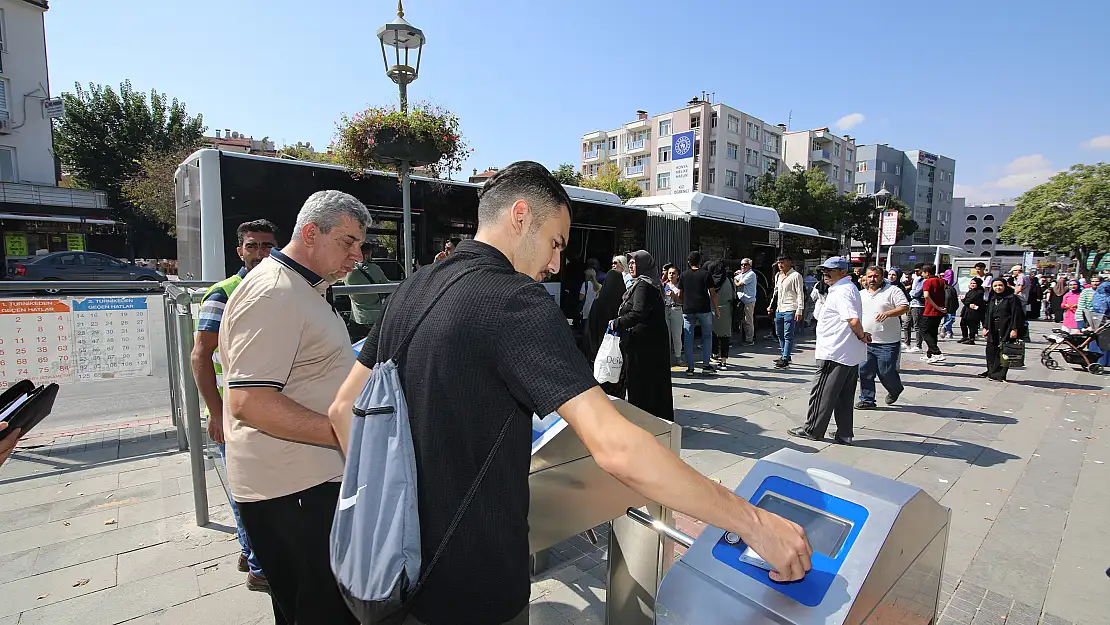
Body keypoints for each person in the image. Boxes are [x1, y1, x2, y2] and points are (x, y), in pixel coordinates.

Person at [328, 161, 812, 625]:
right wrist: (754, 523)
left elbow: (344, 408)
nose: (557, 263)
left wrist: (390, 512)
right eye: (556, 243)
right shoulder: (516, 303)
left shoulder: (414, 287)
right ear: (521, 217)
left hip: (388, 574)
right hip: (474, 588)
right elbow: (618, 447)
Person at [220, 192, 370, 624]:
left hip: (302, 483)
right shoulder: (275, 292)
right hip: (292, 492)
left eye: (360, 245)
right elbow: (249, 401)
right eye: (347, 242)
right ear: (310, 233)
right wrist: (349, 433)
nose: (357, 256)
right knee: (322, 610)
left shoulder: (299, 287)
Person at [190, 218, 279, 593]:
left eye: (267, 246)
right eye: (253, 246)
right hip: (235, 412)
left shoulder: (279, 288)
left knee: (262, 488)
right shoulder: (223, 294)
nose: (261, 253)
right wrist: (215, 411)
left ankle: (249, 549)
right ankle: (259, 568)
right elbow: (200, 355)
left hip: (268, 406)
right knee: (248, 491)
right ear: (239, 250)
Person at [788, 257, 871, 444]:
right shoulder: (846, 289)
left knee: (822, 392)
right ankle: (844, 434)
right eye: (824, 270)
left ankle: (812, 429)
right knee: (843, 396)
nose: (825, 273)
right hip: (847, 353)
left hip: (835, 352)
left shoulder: (842, 291)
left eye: (830, 270)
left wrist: (861, 335)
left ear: (843, 272)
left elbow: (853, 320)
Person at [609, 250, 675, 420]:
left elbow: (638, 312)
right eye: (629, 262)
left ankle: (643, 418)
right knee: (654, 382)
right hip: (654, 341)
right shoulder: (652, 282)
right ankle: (656, 417)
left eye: (634, 262)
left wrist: (617, 322)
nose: (631, 265)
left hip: (643, 344)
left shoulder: (643, 284)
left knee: (641, 382)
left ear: (644, 265)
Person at [855, 266, 908, 410]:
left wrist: (889, 313)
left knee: (886, 372)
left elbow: (904, 307)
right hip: (866, 340)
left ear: (881, 277)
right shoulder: (860, 294)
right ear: (865, 277)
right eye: (870, 276)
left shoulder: (893, 291)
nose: (873, 279)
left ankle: (895, 388)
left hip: (887, 342)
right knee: (864, 371)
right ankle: (867, 399)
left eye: (876, 276)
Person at [679, 251, 720, 375]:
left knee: (688, 338)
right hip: (704, 308)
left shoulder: (684, 275)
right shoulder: (706, 274)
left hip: (688, 309)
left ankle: (690, 367)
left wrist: (684, 303)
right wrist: (717, 309)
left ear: (688, 262)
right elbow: (712, 293)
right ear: (700, 261)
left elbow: (681, 293)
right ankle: (706, 365)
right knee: (707, 336)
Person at [981, 280, 1024, 382]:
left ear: (1005, 286)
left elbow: (1016, 315)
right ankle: (991, 371)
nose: (998, 288)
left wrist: (1014, 329)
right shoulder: (993, 299)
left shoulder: (1011, 298)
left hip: (1006, 327)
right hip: (993, 328)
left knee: (1004, 350)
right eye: (995, 286)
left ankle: (1000, 374)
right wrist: (985, 327)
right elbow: (988, 314)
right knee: (991, 350)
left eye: (1000, 285)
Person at [769, 254, 805, 369]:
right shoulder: (778, 275)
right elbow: (776, 292)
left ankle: (785, 358)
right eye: (779, 262)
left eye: (782, 262)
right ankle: (785, 354)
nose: (780, 265)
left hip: (791, 308)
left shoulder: (796, 276)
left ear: (789, 262)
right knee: (779, 333)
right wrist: (771, 305)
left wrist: (799, 310)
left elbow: (800, 293)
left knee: (788, 334)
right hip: (780, 308)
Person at [346, 242, 390, 334]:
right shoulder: (375, 269)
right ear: (366, 256)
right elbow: (387, 286)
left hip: (357, 318)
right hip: (375, 318)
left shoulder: (348, 271)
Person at [707, 260, 735, 369]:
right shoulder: (730, 280)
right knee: (725, 336)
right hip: (727, 310)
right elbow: (734, 295)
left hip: (713, 309)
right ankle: (724, 361)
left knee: (713, 333)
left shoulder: (712, 282)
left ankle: (714, 355)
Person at [919, 264, 947, 364]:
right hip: (940, 311)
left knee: (924, 331)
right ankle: (930, 354)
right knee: (933, 332)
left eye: (922, 272)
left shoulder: (927, 282)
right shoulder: (941, 281)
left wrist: (936, 307)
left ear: (927, 272)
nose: (921, 274)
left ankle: (937, 352)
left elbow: (926, 296)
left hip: (930, 310)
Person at [662, 265, 684, 365]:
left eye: (673, 273)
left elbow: (681, 300)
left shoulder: (680, 286)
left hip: (676, 309)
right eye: (670, 273)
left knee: (676, 335)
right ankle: (667, 357)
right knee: (666, 335)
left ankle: (678, 357)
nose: (671, 275)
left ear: (678, 275)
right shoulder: (664, 285)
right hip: (666, 309)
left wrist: (673, 295)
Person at [734, 259, 758, 345]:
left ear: (750, 266)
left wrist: (735, 280)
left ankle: (750, 339)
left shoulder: (751, 274)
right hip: (743, 300)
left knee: (748, 321)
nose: (743, 266)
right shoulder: (743, 273)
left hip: (749, 300)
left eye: (745, 265)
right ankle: (746, 337)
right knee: (744, 320)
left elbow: (739, 284)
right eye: (742, 265)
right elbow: (736, 278)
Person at [959, 278, 987, 345]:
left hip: (974, 311)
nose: (972, 285)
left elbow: (970, 300)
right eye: (971, 283)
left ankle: (971, 339)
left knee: (972, 325)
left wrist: (965, 301)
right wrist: (966, 302)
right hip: (967, 310)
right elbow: (966, 300)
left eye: (974, 283)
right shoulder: (971, 291)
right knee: (963, 323)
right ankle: (965, 337)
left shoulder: (979, 292)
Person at [905, 264, 926, 353]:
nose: (916, 273)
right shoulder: (917, 280)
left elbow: (915, 293)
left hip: (918, 305)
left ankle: (918, 345)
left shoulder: (923, 281)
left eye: (918, 271)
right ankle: (907, 343)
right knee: (906, 325)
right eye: (915, 271)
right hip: (912, 304)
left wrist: (912, 292)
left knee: (917, 325)